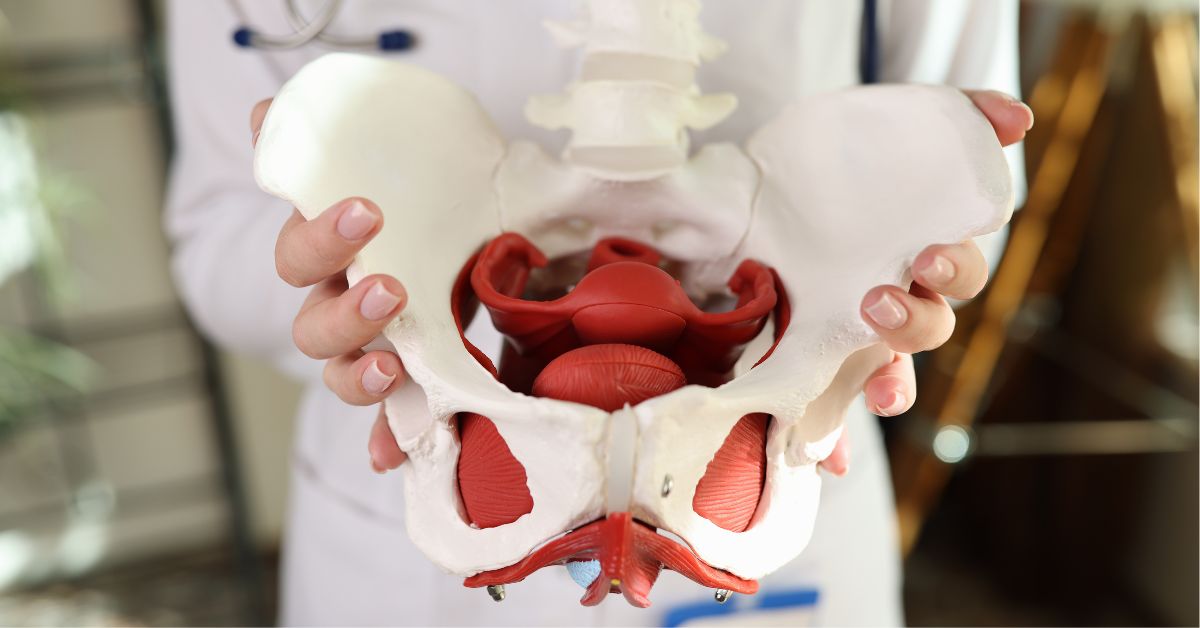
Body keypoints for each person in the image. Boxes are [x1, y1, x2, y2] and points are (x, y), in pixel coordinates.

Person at [165, 1, 1030, 625]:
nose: (608, 426)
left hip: (758, 458)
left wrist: (893, 284)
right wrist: (343, 298)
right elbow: (218, 235)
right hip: (419, 523)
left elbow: (958, 203)